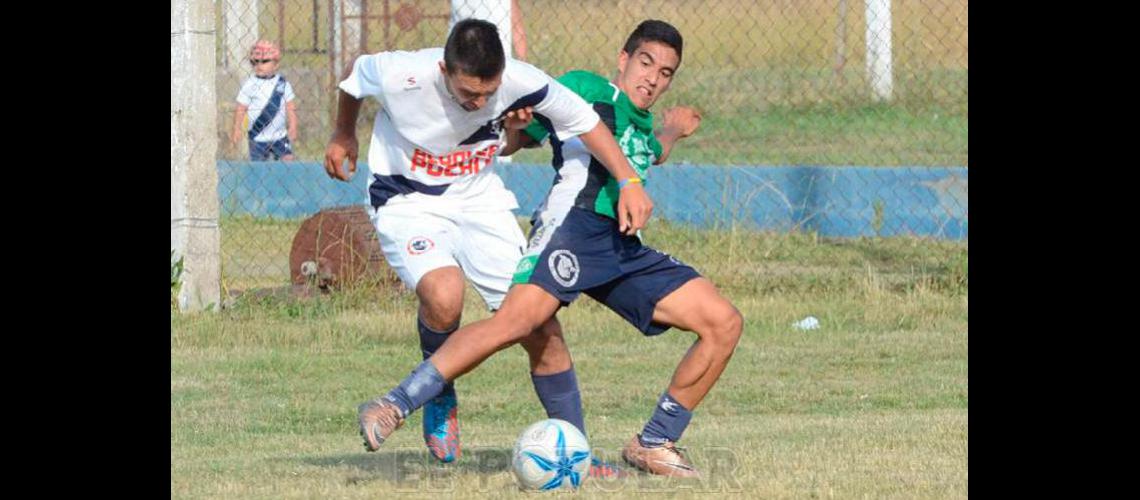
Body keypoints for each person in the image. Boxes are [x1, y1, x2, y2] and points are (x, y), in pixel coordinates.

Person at [356, 19, 743, 478]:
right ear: (623, 59)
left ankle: (654, 442)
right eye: (645, 63)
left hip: (622, 247)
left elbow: (642, 151)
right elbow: (519, 137)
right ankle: (395, 404)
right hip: (573, 230)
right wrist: (517, 128)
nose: (653, 79)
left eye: (666, 73)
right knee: (517, 324)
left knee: (723, 322)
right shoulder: (585, 88)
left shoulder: (640, 122)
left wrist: (672, 133)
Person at [324, 19, 652, 472]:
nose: (480, 103)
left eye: (488, 93)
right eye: (468, 94)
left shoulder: (520, 80)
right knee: (444, 294)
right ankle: (438, 391)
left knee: (540, 326)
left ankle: (578, 453)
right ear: (444, 70)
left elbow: (588, 123)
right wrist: (344, 133)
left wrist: (629, 179)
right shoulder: (404, 73)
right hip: (406, 200)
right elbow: (353, 76)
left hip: (480, 200)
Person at [230, 40, 299, 161]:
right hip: (258, 138)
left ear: (276, 64)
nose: (259, 65)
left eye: (265, 61)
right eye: (255, 62)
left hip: (280, 136)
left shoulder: (282, 84)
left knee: (288, 159)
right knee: (258, 168)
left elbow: (290, 106)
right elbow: (241, 107)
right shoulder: (250, 84)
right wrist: (236, 129)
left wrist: (293, 125)